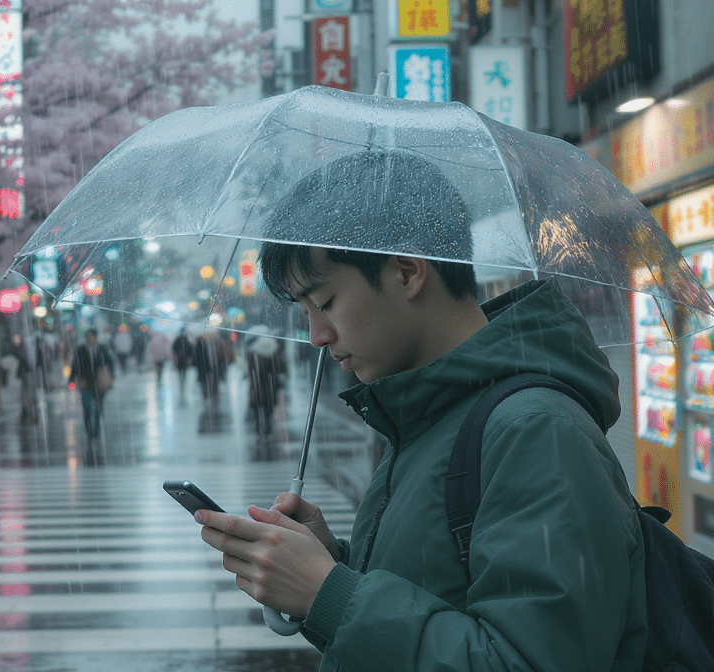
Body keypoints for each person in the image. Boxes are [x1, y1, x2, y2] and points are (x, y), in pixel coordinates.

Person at [193, 151, 647, 671]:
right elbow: (443, 598)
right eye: (303, 313)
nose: (317, 336)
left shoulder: (536, 431)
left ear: (408, 274)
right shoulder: (430, 416)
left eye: (325, 302)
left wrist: (329, 593)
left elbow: (530, 660)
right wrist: (331, 564)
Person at [68, 328, 116, 441]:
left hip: (99, 383)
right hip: (86, 383)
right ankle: (89, 431)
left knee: (98, 409)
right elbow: (75, 366)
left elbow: (110, 362)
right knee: (87, 408)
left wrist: (111, 375)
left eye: (93, 337)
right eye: (89, 337)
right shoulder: (80, 350)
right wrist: (71, 379)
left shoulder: (101, 349)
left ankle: (96, 430)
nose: (91, 339)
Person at [244, 332, 286, 447]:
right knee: (268, 411)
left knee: (259, 412)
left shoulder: (254, 353)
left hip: (258, 388)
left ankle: (260, 432)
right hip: (270, 387)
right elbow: (280, 368)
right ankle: (267, 431)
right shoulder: (274, 352)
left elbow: (251, 372)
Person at [171, 330, 194, 395]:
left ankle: (181, 381)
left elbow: (173, 349)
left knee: (180, 371)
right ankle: (183, 380)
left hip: (179, 359)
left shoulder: (177, 340)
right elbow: (190, 350)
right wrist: (189, 357)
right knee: (184, 371)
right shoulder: (186, 341)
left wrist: (176, 357)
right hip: (185, 359)